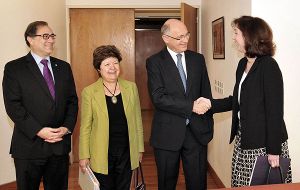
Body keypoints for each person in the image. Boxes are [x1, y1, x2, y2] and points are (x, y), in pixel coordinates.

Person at [205, 16, 292, 187]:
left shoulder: (268, 66)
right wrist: (210, 104)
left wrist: (273, 151)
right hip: (243, 138)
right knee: (242, 183)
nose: (233, 38)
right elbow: (237, 100)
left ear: (249, 36)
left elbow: (275, 112)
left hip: (264, 144)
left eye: (236, 33)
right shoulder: (242, 64)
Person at [2, 21, 78, 190]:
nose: (51, 40)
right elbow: (14, 106)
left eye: (52, 36)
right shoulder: (14, 68)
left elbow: (72, 102)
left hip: (59, 145)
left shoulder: (64, 67)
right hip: (29, 147)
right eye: (45, 36)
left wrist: (66, 127)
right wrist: (39, 131)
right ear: (30, 39)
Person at [146, 19, 213, 190]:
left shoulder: (198, 59)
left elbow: (206, 94)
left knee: (198, 183)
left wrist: (207, 126)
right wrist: (190, 106)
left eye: (186, 35)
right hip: (167, 134)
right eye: (179, 37)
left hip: (196, 132)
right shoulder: (154, 62)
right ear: (165, 38)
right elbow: (158, 97)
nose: (185, 40)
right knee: (166, 183)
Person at [79, 45, 144, 190]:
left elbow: (137, 120)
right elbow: (85, 127)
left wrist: (139, 148)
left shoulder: (131, 88)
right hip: (101, 152)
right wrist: (84, 155)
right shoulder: (89, 92)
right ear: (99, 69)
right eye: (107, 64)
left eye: (115, 63)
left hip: (127, 151)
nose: (112, 67)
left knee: (124, 186)